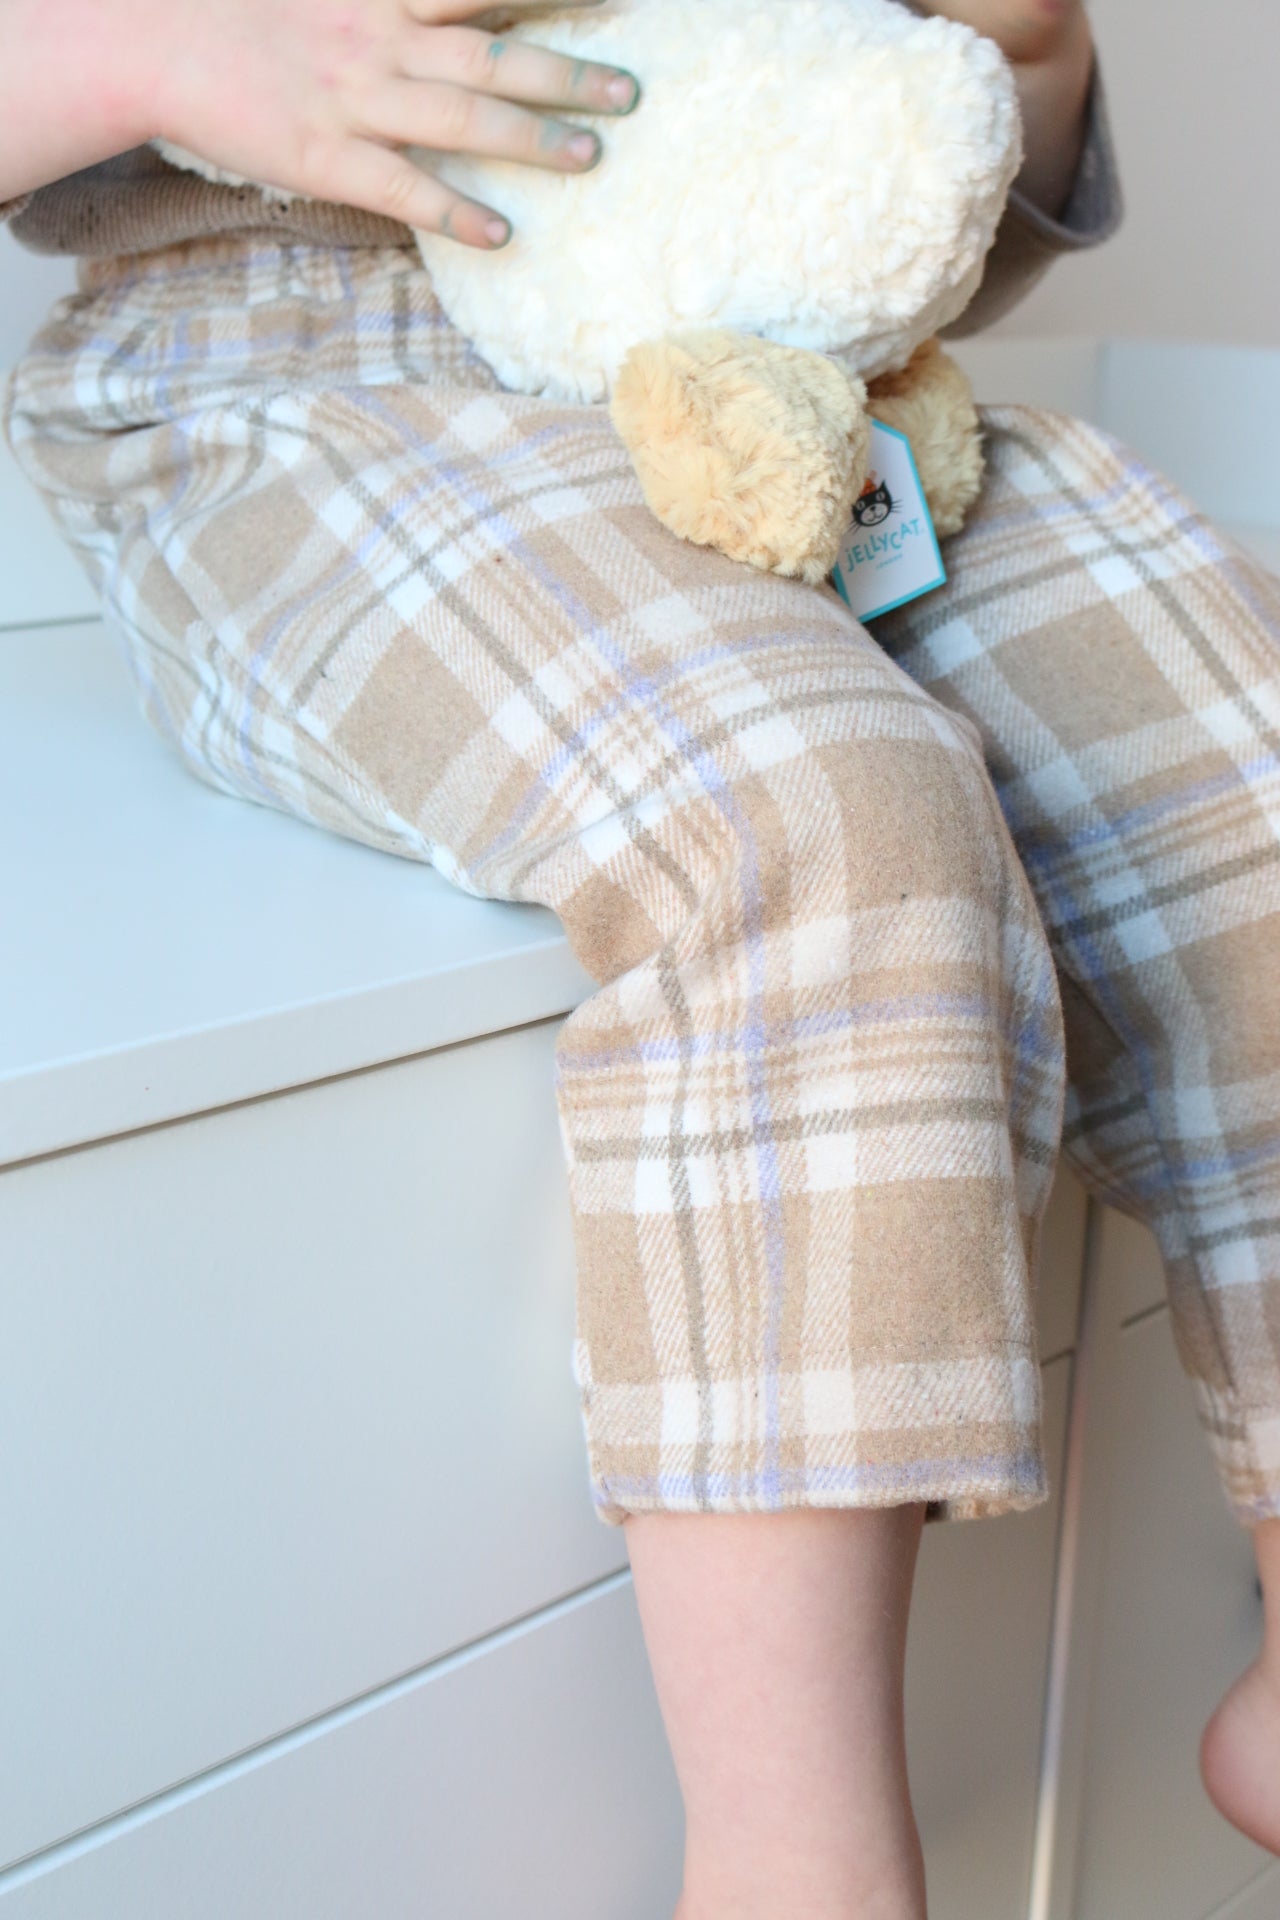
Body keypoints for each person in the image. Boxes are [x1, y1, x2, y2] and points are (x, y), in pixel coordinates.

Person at [4, 2, 1279, 1912]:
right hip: (300, 387)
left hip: (790, 376)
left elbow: (941, 173)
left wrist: (1022, 59)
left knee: (1239, 753)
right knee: (812, 812)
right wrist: (156, 58)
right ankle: (799, 1867)